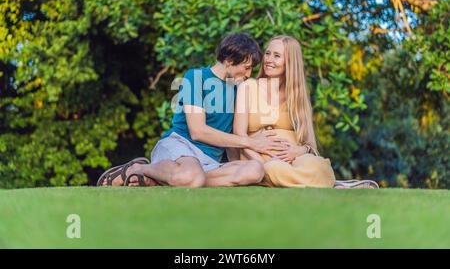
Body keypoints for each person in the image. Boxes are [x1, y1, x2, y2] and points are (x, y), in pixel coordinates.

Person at [97, 33, 288, 188]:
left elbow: (231, 140)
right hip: (181, 146)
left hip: (208, 162)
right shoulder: (195, 77)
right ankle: (139, 168)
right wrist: (251, 143)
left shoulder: (239, 89)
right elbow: (198, 131)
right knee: (192, 176)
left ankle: (166, 180)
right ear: (229, 61)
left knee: (254, 170)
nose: (248, 75)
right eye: (246, 68)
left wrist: (236, 164)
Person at [232, 35, 379, 189]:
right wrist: (263, 163)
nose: (269, 60)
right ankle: (333, 186)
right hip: (258, 159)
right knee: (275, 168)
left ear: (290, 62)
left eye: (277, 56)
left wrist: (299, 150)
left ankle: (319, 182)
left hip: (294, 159)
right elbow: (239, 136)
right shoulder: (248, 87)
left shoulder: (297, 95)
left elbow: (308, 144)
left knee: (319, 165)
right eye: (268, 54)